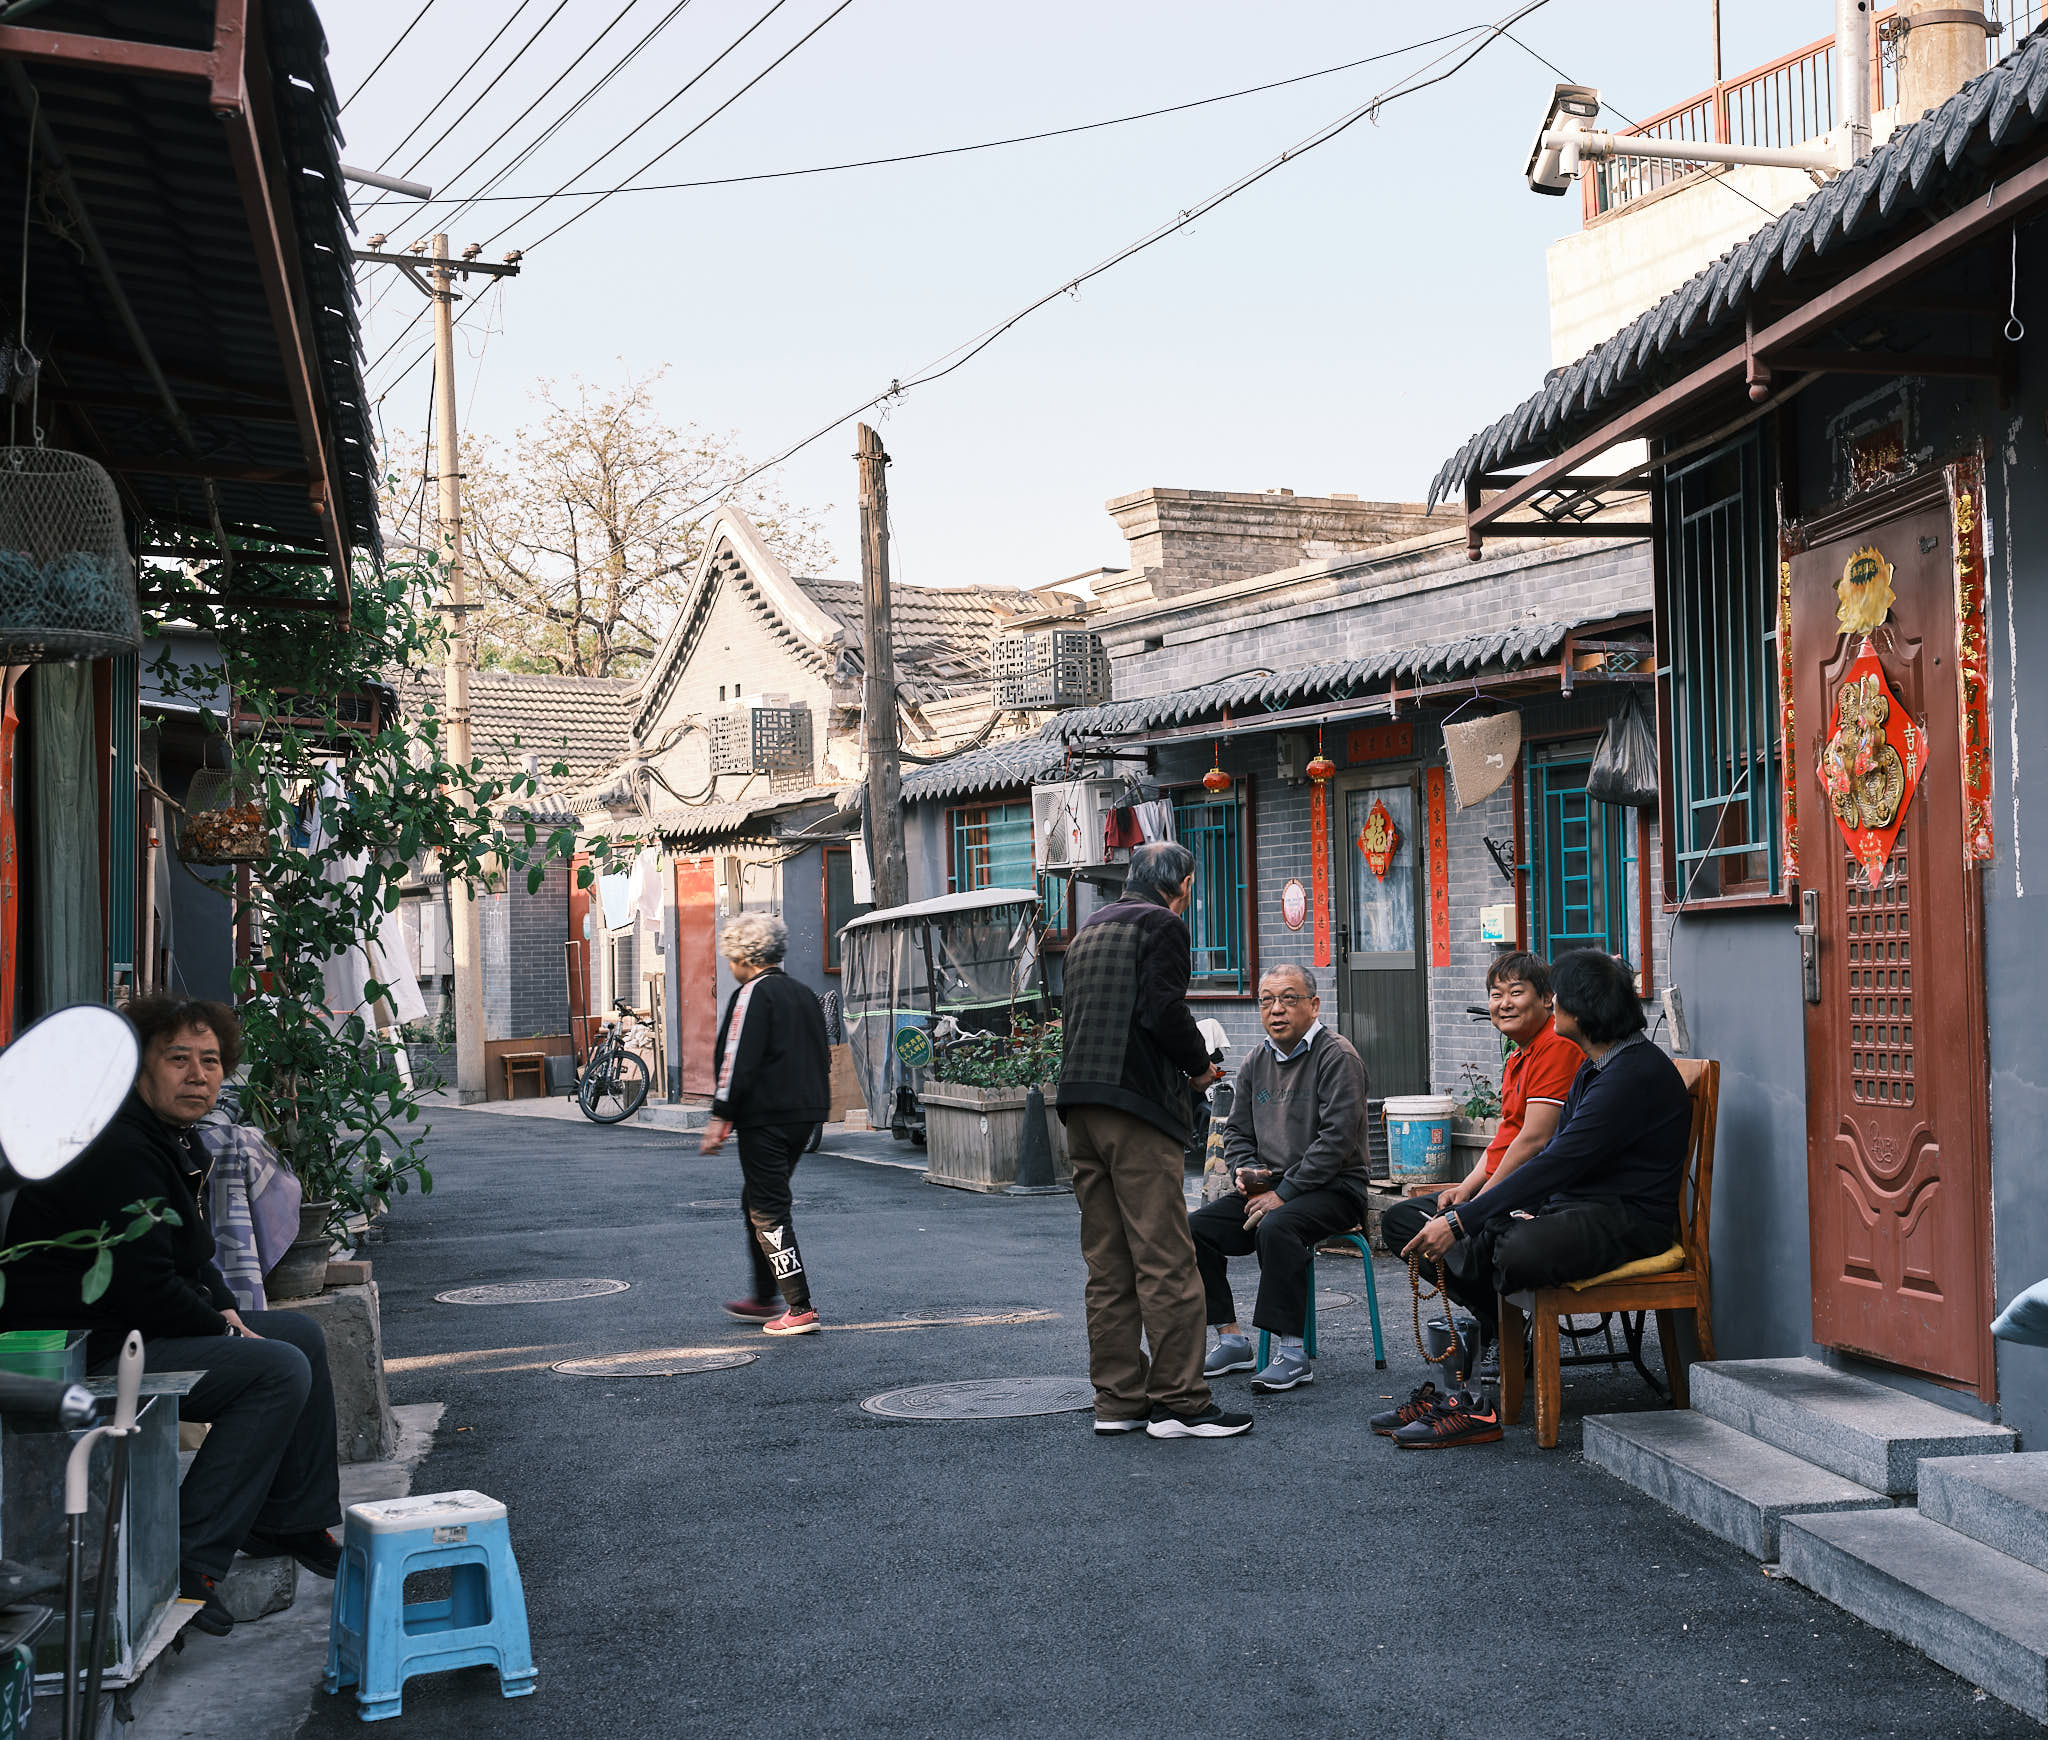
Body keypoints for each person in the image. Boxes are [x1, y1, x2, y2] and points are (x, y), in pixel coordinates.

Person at [1, 997, 343, 1637]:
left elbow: (192, 1253)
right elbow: (146, 1286)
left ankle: (289, 1519)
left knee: (299, 1334)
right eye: (177, 1059)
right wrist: (221, 1328)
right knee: (275, 1370)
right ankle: (188, 1559)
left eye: (210, 1061)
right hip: (92, 1350)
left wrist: (222, 1305)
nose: (198, 1076)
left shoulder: (163, 1136)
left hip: (137, 1325)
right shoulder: (114, 1149)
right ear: (137, 1070)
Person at [1381, 950, 1693, 1449]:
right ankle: (1467, 1388)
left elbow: (1553, 1159)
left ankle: (1471, 1392)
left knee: (1512, 1246)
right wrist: (1480, 1211)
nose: (1552, 1004)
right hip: (1575, 1208)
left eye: (1557, 997)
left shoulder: (1632, 1075)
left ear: (1583, 1009)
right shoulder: (1600, 1066)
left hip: (1628, 1220)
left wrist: (1465, 1222)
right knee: (1467, 1230)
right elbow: (1548, 1163)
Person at [1058, 841, 1251, 1440]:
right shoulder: (1162, 925)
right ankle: (1181, 1402)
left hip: (1081, 1105)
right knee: (1167, 1257)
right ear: (1183, 884)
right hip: (1135, 1106)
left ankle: (1118, 1400)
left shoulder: (1089, 926)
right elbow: (1164, 1011)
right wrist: (1198, 1068)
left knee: (1108, 1263)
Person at [1376, 950, 1580, 1421]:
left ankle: (1503, 1330)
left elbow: (1534, 1141)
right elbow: (1506, 1135)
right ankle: (1497, 1319)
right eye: (1495, 994)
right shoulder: (1518, 1054)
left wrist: (1479, 1206)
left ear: (1548, 1000)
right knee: (1403, 1222)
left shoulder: (1556, 1047)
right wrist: (1466, 1188)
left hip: (1538, 1193)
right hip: (1504, 1185)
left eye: (1516, 992)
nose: (1503, 1003)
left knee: (1467, 1233)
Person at [1186, 964, 1369, 1394]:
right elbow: (1236, 1131)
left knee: (1278, 1224)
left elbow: (1336, 1141)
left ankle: (1292, 1353)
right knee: (1195, 1230)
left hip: (1336, 1188)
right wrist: (1246, 1174)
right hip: (1274, 1187)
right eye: (1267, 1000)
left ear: (1314, 1005)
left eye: (1289, 998)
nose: (1277, 1009)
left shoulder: (1337, 1056)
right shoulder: (1256, 1060)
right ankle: (1231, 1338)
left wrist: (1283, 1194)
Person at [700, 913, 832, 1336]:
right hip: (804, 1115)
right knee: (755, 1200)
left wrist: (721, 1115)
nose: (730, 966)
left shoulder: (750, 994)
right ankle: (762, 1296)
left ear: (743, 956)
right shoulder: (804, 993)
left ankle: (799, 1306)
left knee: (767, 1209)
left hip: (765, 1118)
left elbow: (735, 1059)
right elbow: (823, 1054)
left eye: (731, 958)